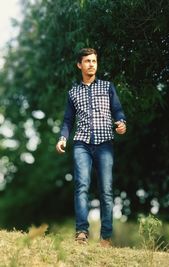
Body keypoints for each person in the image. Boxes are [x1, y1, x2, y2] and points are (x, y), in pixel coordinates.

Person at [56, 48, 126, 247]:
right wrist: (62, 138)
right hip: (81, 144)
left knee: (106, 190)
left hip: (105, 144)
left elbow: (118, 111)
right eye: (87, 61)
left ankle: (105, 237)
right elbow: (68, 120)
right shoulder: (73, 92)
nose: (91, 64)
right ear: (79, 65)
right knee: (81, 186)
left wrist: (121, 123)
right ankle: (81, 232)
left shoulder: (107, 87)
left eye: (94, 61)